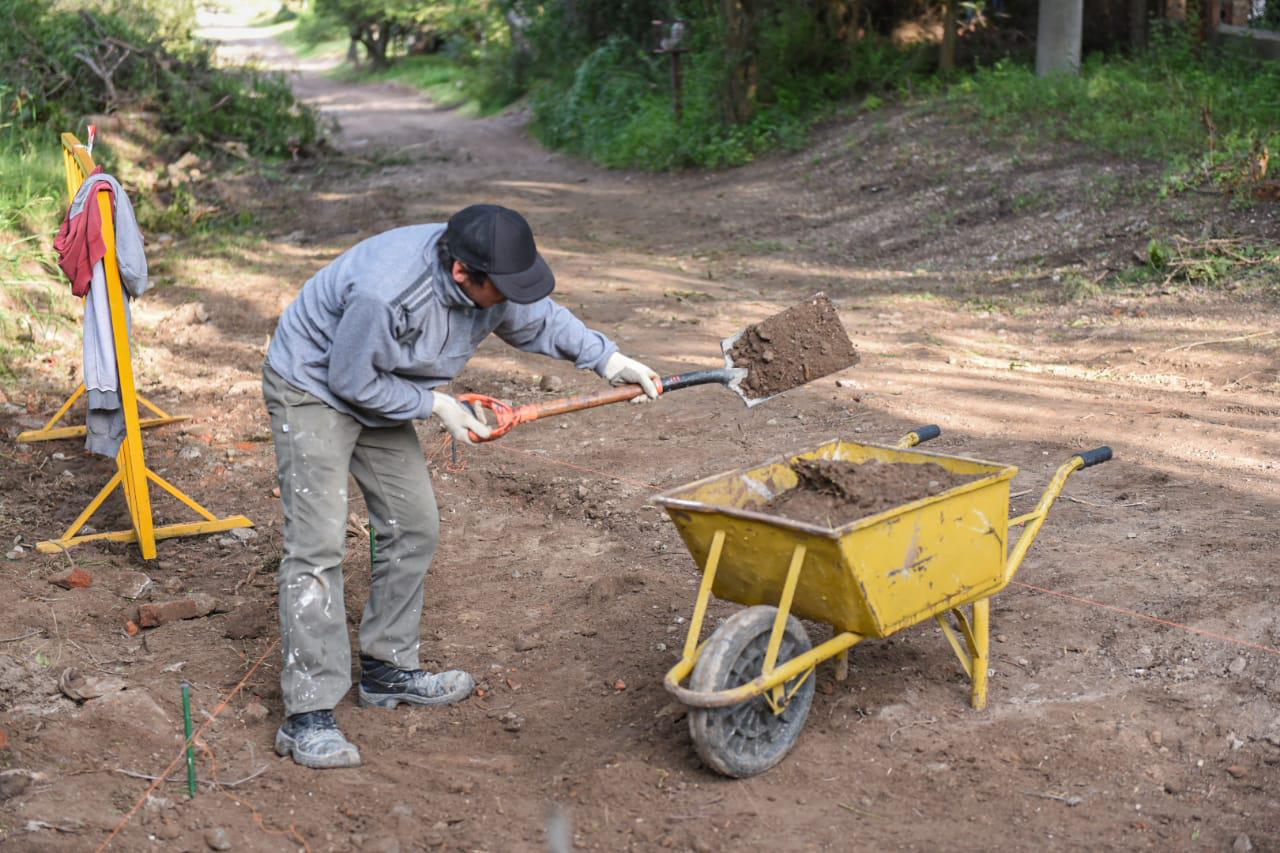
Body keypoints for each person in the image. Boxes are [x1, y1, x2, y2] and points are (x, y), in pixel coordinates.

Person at [261, 204, 660, 768]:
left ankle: (387, 670)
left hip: (386, 383)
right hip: (315, 386)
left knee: (413, 525)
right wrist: (435, 404)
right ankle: (307, 715)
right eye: (506, 286)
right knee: (318, 544)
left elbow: (539, 318)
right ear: (462, 274)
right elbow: (350, 380)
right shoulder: (386, 291)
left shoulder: (489, 278)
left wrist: (610, 359)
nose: (515, 296)